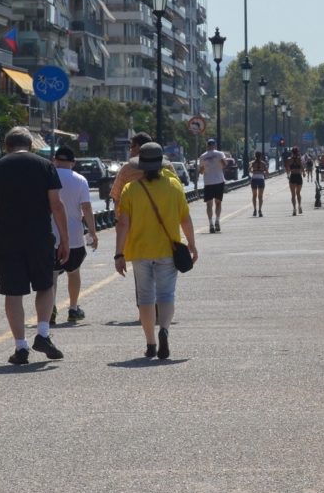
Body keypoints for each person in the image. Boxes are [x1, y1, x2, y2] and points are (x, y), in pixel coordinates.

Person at [0, 126, 69, 365]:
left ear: (7, 146)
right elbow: (57, 205)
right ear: (30, 145)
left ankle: (20, 347)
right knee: (45, 285)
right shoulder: (45, 166)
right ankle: (42, 333)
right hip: (40, 236)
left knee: (13, 292)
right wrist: (65, 239)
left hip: (8, 238)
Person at [114, 142, 198, 359]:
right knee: (166, 294)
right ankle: (165, 330)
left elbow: (122, 224)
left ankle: (150, 343)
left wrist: (119, 253)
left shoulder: (130, 189)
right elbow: (185, 219)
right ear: (161, 165)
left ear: (141, 166)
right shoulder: (173, 186)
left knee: (145, 297)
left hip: (139, 251)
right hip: (167, 249)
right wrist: (192, 244)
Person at [50, 146, 98, 323]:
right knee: (74, 271)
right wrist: (92, 232)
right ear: (73, 162)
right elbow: (86, 207)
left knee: (52, 273)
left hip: (51, 233)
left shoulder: (47, 177)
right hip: (74, 234)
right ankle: (73, 308)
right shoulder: (80, 180)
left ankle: (50, 309)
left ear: (55, 160)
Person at [198, 137, 227, 232]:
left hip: (208, 182)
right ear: (215, 145)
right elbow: (224, 164)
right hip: (219, 181)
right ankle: (217, 221)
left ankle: (210, 224)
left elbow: (201, 171)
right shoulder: (220, 154)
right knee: (218, 203)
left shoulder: (202, 156)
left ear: (207, 146)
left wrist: (207, 167)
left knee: (209, 204)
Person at [287, 146, 305, 215]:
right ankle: (299, 206)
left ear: (292, 152)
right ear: (297, 152)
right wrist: (303, 173)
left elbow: (288, 169)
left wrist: (288, 174)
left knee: (293, 194)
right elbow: (302, 167)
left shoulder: (289, 159)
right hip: (298, 176)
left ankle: (294, 209)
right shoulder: (299, 159)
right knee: (298, 193)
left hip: (293, 176)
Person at [249, 151, 267, 216]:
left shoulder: (252, 163)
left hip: (254, 179)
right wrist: (263, 173)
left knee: (254, 195)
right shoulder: (263, 163)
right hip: (261, 179)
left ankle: (254, 210)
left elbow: (249, 169)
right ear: (261, 156)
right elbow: (267, 172)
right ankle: (260, 210)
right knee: (260, 196)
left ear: (255, 156)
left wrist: (253, 171)